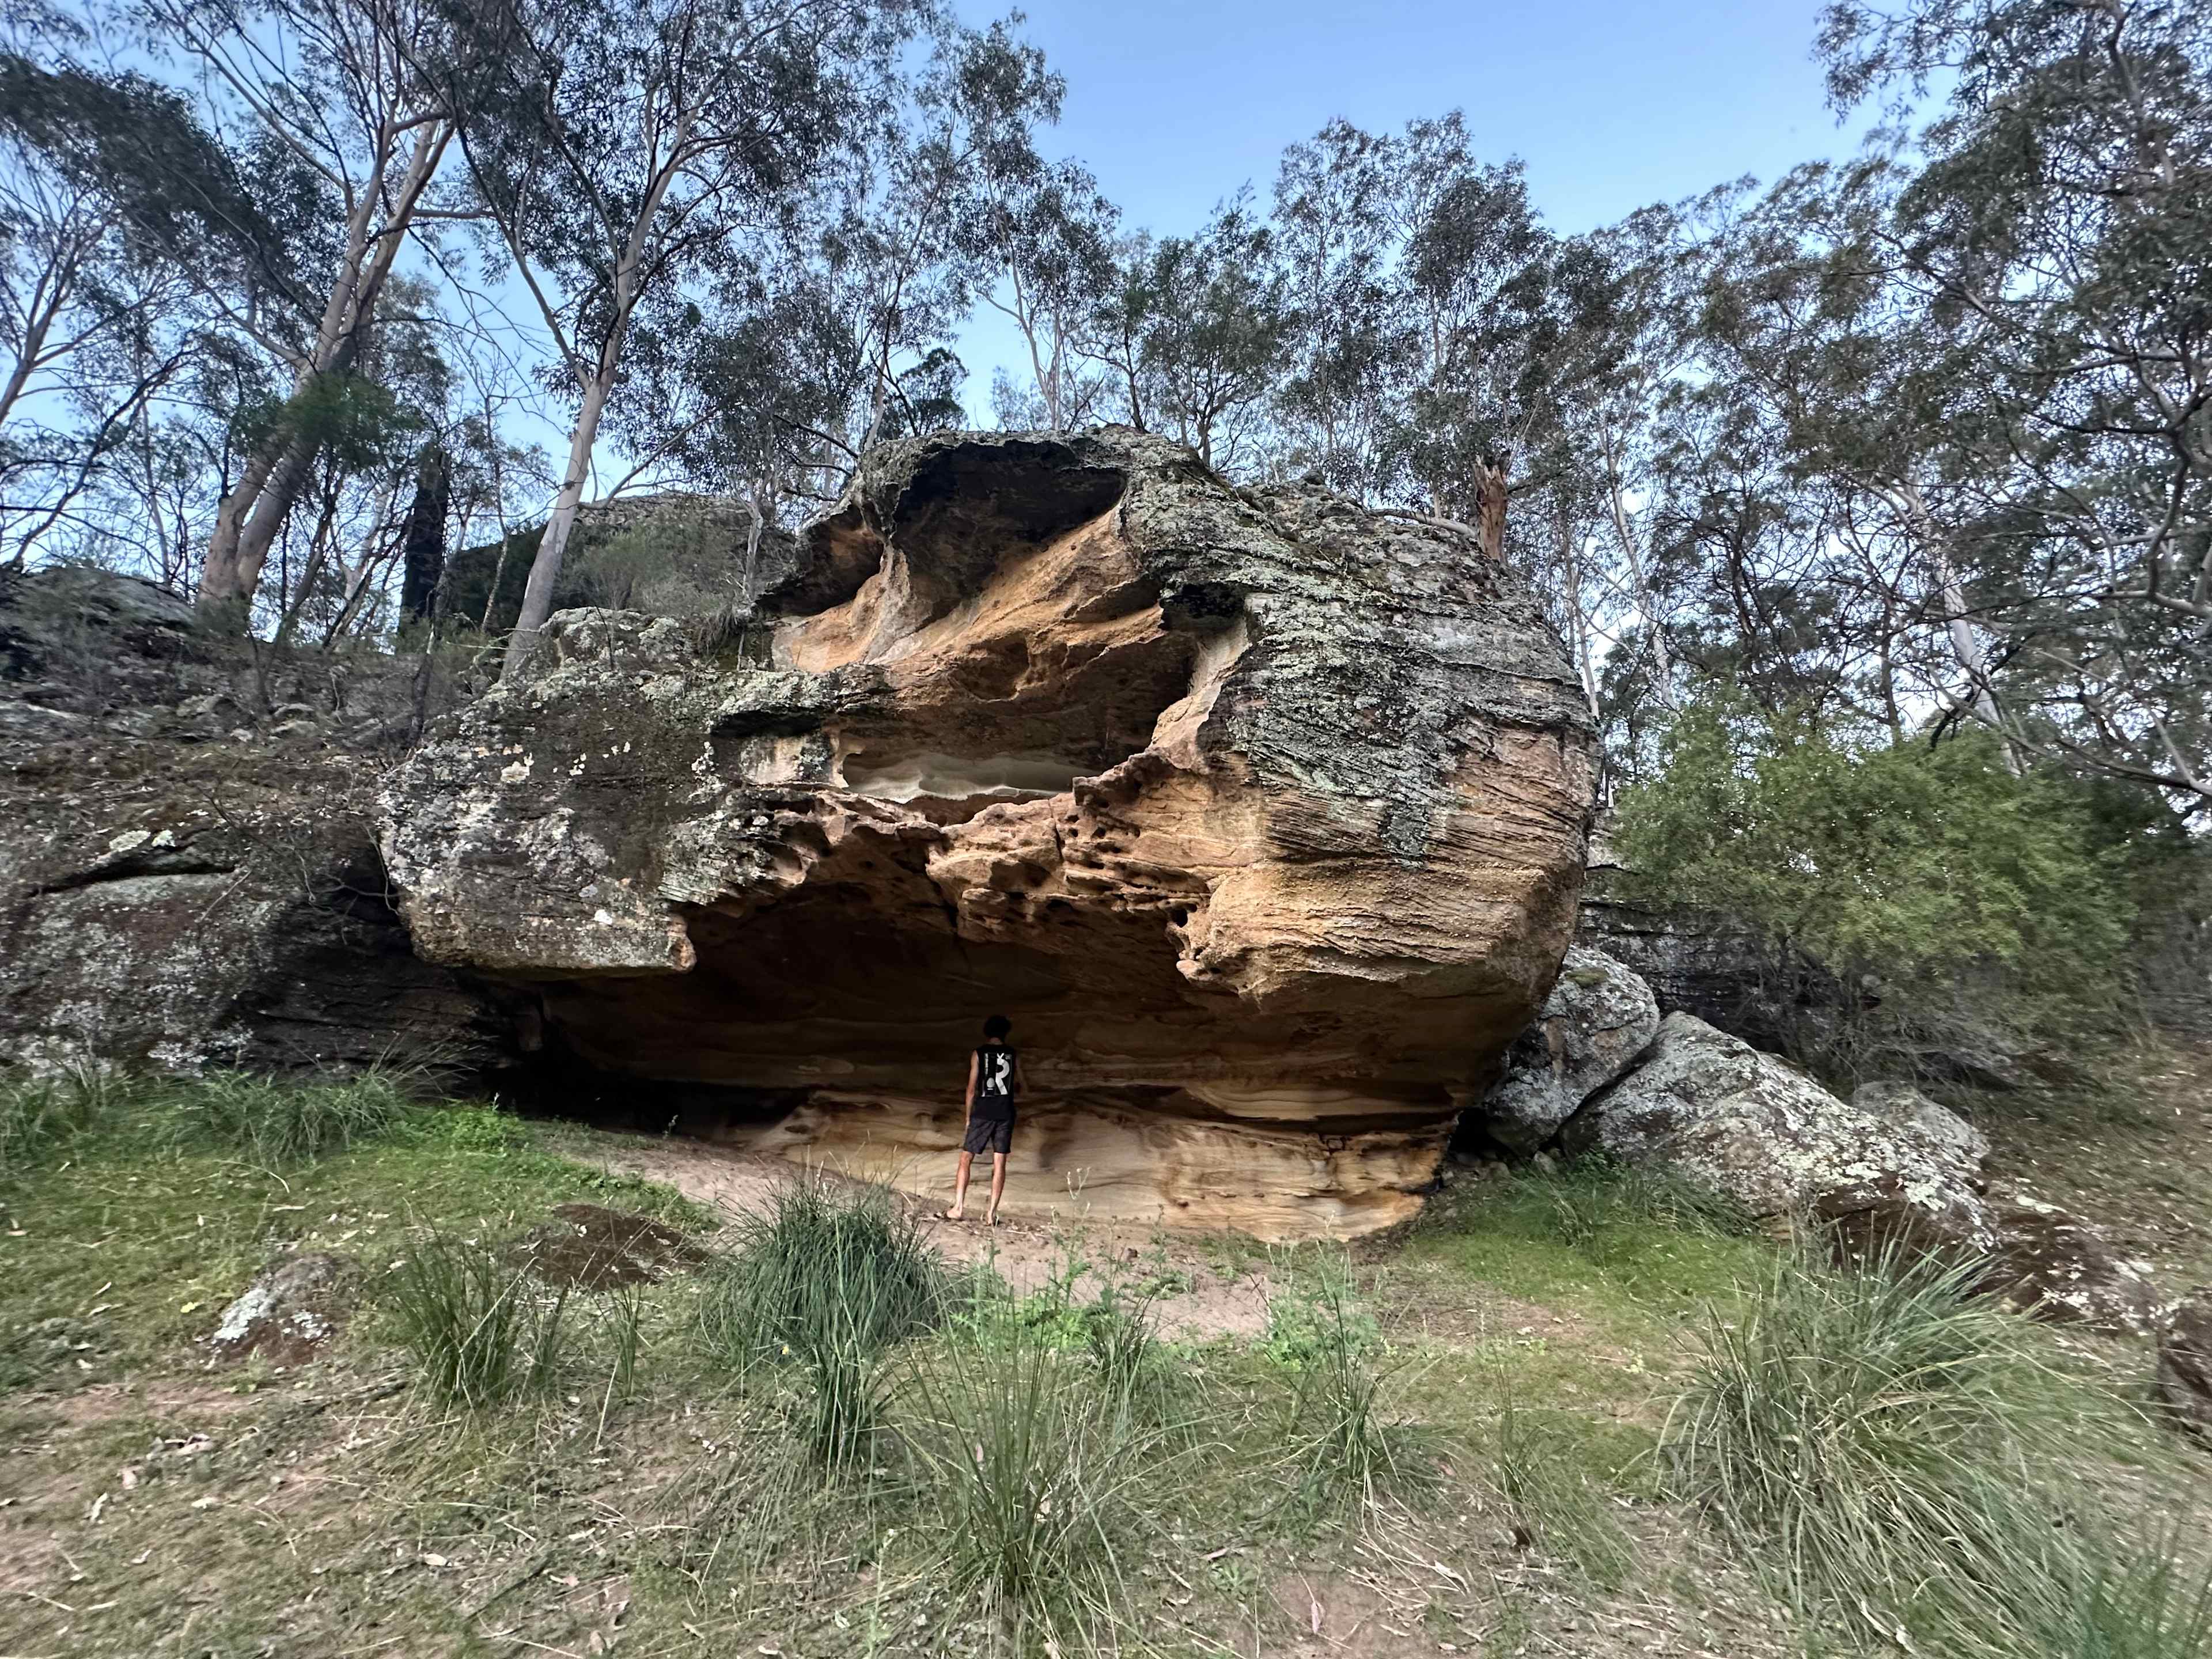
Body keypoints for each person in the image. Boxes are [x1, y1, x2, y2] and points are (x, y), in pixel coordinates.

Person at [945, 1014, 1020, 1225]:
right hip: (1005, 1113)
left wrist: (968, 1117)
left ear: (986, 1032)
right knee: (1000, 1163)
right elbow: (1023, 1084)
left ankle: (958, 1208)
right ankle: (991, 1215)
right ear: (1006, 1033)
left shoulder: (979, 1053)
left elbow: (971, 1089)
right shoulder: (1013, 1054)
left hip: (983, 1112)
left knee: (966, 1158)